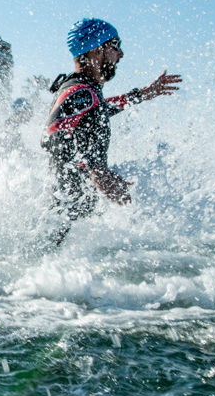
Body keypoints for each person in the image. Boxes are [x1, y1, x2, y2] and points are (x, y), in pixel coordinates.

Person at [41, 18, 182, 245]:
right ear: (97, 49)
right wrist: (95, 169)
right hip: (64, 219)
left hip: (73, 217)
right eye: (115, 45)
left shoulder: (87, 93)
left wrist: (142, 94)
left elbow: (100, 110)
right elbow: (52, 135)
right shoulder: (79, 91)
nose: (121, 54)